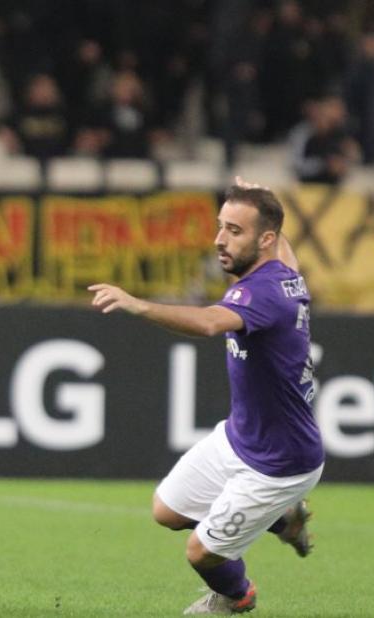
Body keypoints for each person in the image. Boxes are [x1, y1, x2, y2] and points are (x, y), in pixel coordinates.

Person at [88, 178, 322, 615]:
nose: (219, 239)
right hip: (240, 438)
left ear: (265, 240)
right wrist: (261, 201)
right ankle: (283, 519)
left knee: (200, 553)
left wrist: (137, 304)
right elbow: (282, 245)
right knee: (166, 511)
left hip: (279, 464)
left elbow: (209, 323)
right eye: (221, 226)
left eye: (235, 230)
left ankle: (237, 596)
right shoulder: (282, 272)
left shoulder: (262, 293)